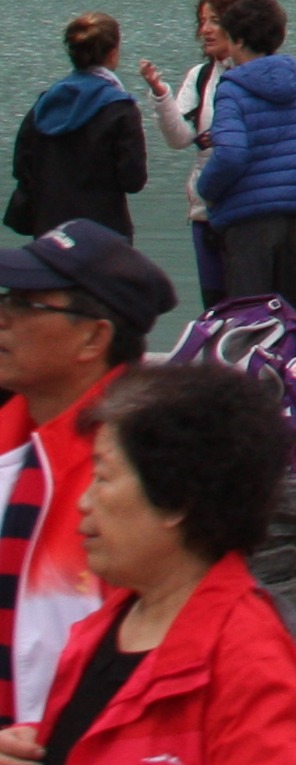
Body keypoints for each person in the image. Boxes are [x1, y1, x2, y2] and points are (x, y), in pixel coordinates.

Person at [0, 362, 296, 765]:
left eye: (103, 478)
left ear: (176, 498)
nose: (84, 503)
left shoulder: (254, 665)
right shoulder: (96, 635)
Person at [0, 222, 175, 736]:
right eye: (7, 297)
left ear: (94, 337)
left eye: (27, 305)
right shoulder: (15, 443)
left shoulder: (151, 474)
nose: (3, 318)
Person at [190, 0, 296, 339]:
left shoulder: (233, 89)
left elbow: (231, 154)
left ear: (237, 40)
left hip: (246, 221)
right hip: (293, 220)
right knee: (294, 314)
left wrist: (206, 189)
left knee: (248, 318)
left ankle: (251, 388)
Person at [131, 0, 242, 310]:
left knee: (248, 302)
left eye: (214, 21)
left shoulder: (256, 75)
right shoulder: (200, 76)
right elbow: (180, 138)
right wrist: (161, 95)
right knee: (214, 305)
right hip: (204, 210)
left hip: (245, 209)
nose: (204, 30)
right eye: (201, 21)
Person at [8, 23, 143, 242]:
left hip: (50, 233)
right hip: (105, 235)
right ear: (112, 53)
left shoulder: (44, 104)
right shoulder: (121, 109)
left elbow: (23, 168)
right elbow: (133, 180)